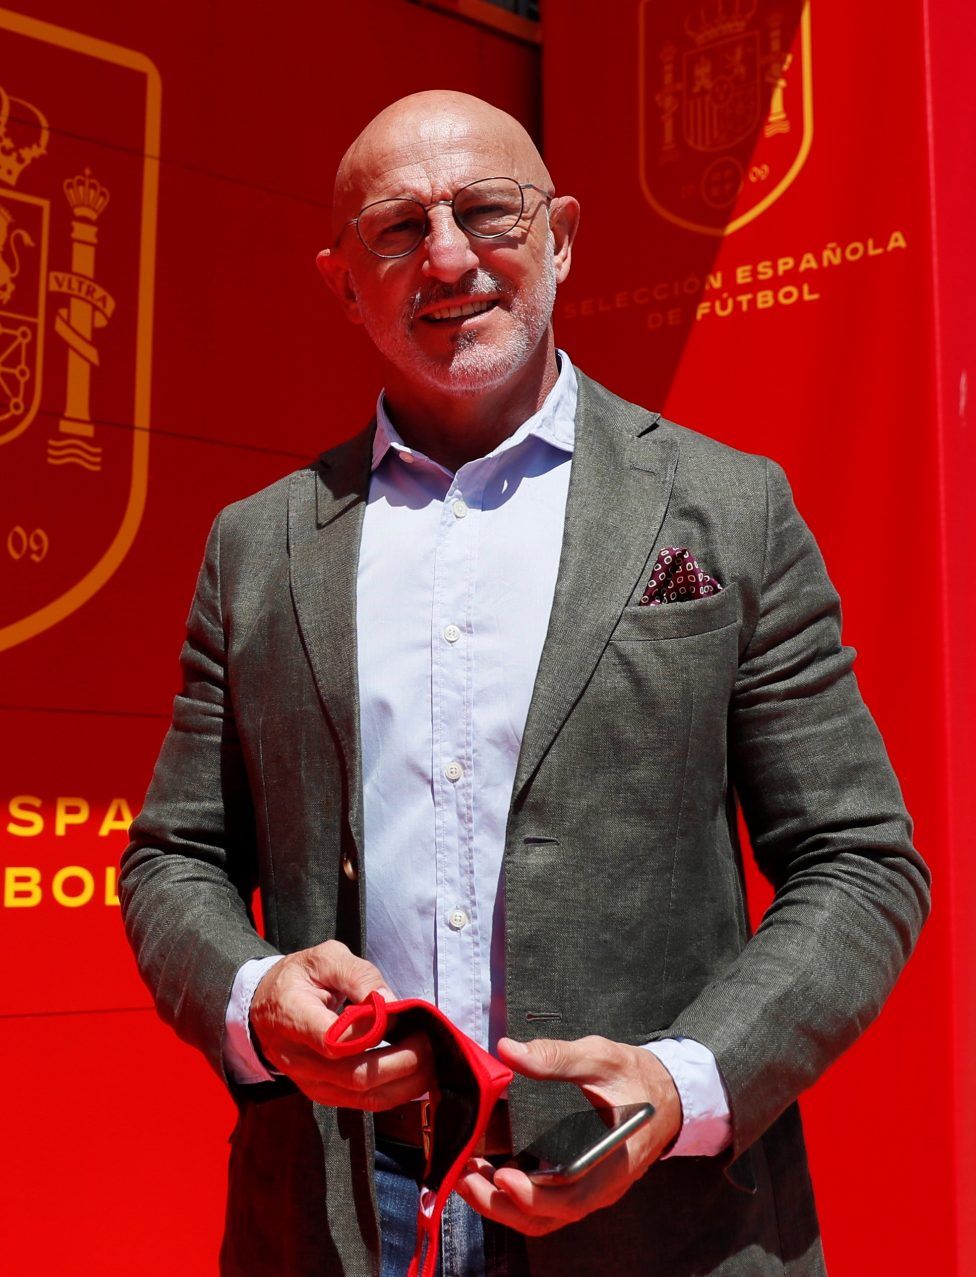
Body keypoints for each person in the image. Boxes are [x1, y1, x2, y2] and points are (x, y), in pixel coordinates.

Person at [119, 90, 927, 1276]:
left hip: (657, 1212)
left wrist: (680, 1082)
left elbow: (859, 859)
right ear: (345, 284)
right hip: (345, 1211)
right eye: (399, 228)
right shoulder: (260, 544)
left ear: (562, 236)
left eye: (487, 210)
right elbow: (173, 859)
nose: (449, 258)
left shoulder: (729, 508)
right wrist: (256, 997)